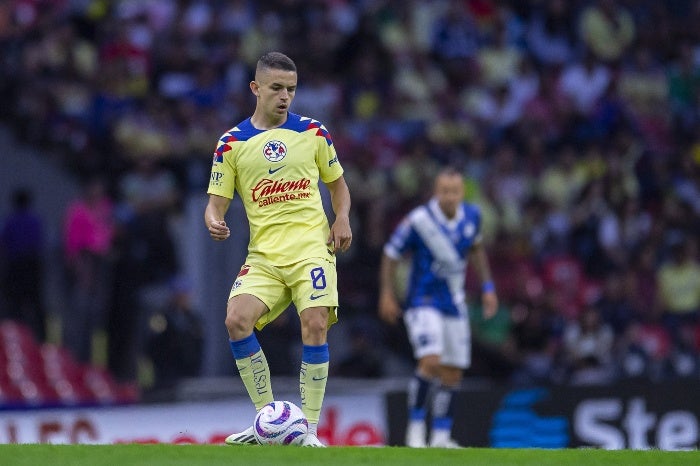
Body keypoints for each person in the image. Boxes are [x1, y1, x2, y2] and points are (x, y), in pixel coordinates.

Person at [204, 52, 352, 447]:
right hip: (265, 259)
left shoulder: (315, 133)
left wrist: (341, 218)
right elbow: (215, 202)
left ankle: (312, 432)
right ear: (255, 89)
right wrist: (214, 219)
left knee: (316, 323)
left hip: (311, 252)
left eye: (291, 89)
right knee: (236, 319)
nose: (285, 96)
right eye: (276, 88)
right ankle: (268, 423)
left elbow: (338, 186)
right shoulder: (231, 143)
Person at [378, 167, 498, 448]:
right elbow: (391, 254)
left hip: (453, 301)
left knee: (453, 372)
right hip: (422, 300)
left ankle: (441, 436)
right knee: (431, 361)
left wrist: (488, 288)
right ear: (436, 191)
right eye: (444, 191)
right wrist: (387, 293)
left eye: (455, 192)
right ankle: (416, 428)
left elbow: (477, 250)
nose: (449, 197)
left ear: (461, 192)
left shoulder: (472, 216)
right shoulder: (419, 221)